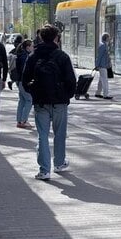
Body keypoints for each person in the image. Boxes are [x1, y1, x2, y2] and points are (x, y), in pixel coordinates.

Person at [21, 24, 77, 180]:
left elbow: (25, 80)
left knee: (42, 136)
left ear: (40, 37)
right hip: (60, 102)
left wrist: (35, 93)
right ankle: (59, 163)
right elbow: (71, 81)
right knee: (60, 134)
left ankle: (44, 170)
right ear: (56, 38)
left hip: (40, 103)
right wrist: (66, 97)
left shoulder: (33, 56)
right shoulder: (62, 56)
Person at [14, 39, 34, 129]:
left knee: (22, 100)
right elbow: (24, 70)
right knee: (29, 100)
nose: (33, 48)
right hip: (23, 81)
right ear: (28, 47)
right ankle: (23, 120)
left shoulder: (20, 55)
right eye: (32, 46)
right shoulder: (25, 56)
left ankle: (19, 120)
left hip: (19, 80)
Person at [95, 33, 113, 99]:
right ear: (106, 38)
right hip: (102, 66)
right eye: (108, 37)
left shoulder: (105, 45)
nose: (109, 39)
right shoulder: (102, 46)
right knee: (105, 80)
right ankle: (106, 95)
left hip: (103, 65)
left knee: (101, 80)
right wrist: (97, 65)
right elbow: (99, 56)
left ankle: (98, 93)